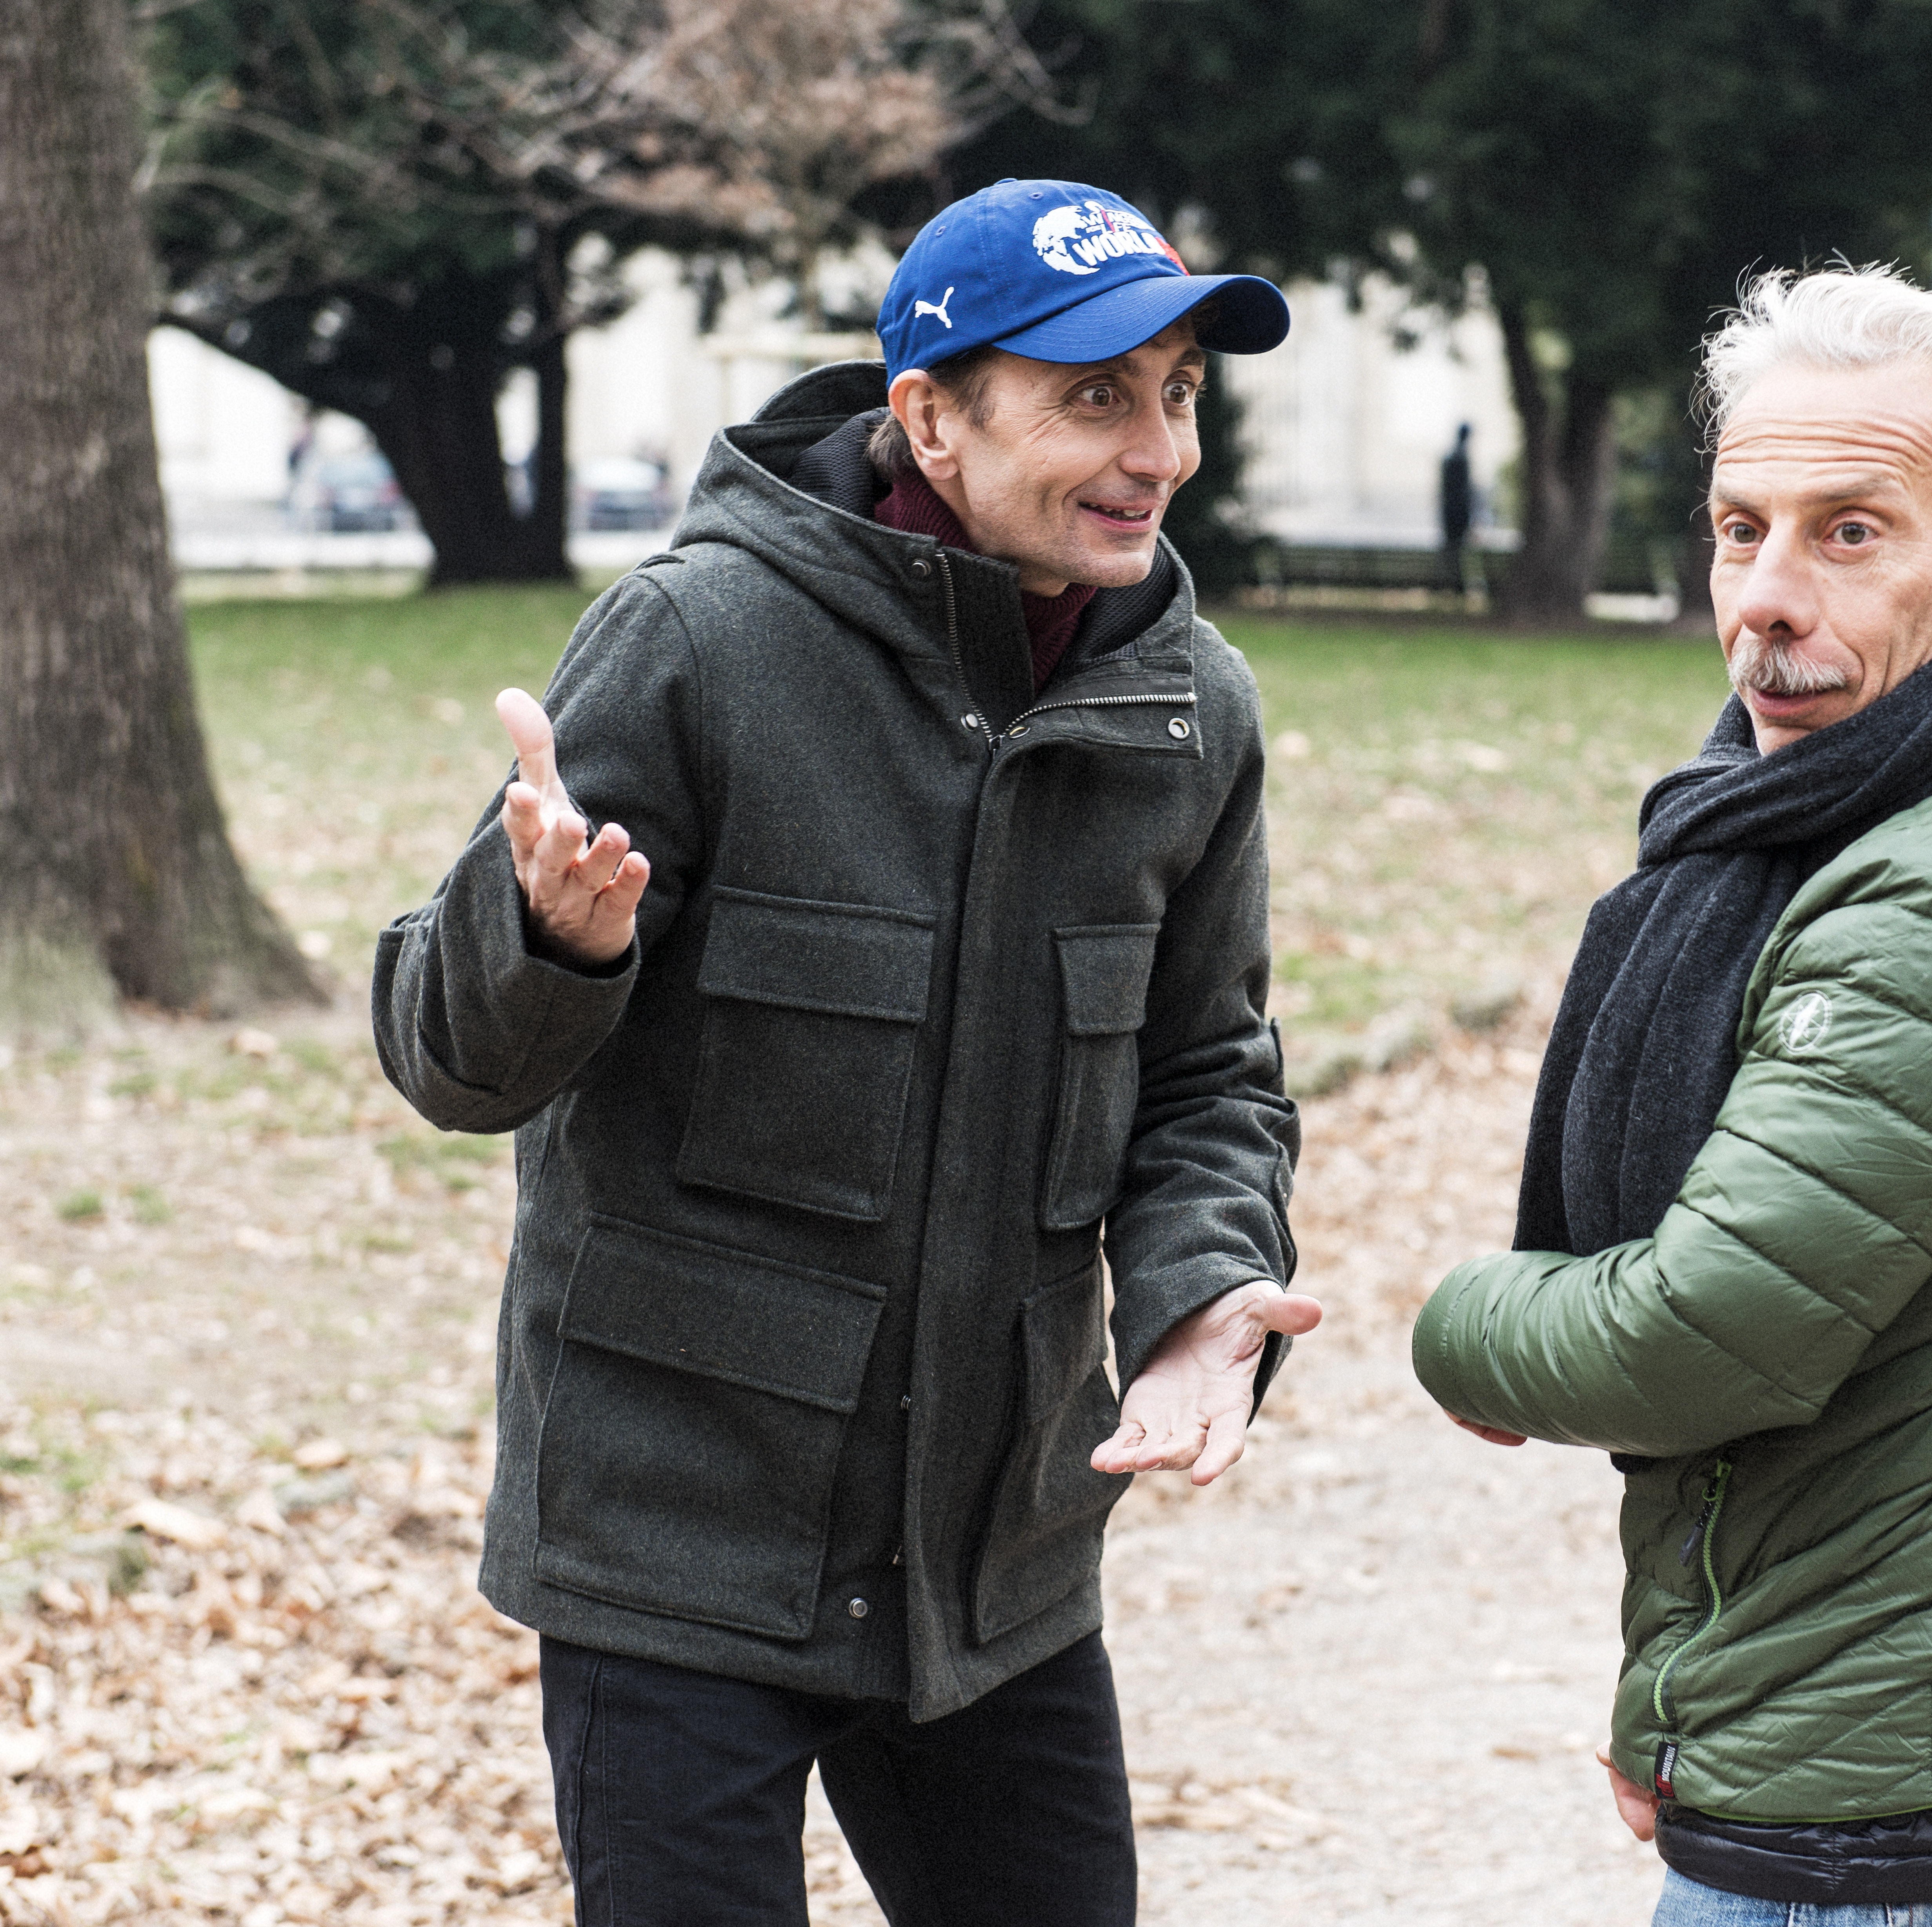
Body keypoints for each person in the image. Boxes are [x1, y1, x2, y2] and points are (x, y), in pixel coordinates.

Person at [371, 177, 1317, 1927]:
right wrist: (556, 938)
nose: (1157, 449)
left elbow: (1207, 1072)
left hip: (994, 1561)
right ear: (929, 419)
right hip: (678, 1549)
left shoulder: (1192, 711)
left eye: (1178, 392)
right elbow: (449, 1061)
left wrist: (1197, 1304)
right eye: (1094, 395)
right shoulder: (700, 640)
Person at [1412, 264, 1932, 1926]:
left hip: (1892, 1814)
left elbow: (1710, 1331)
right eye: (1738, 526)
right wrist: (1693, 1710)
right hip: (1902, 1743)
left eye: (1850, 531)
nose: (1764, 594)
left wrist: (1468, 1318)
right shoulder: (1906, 800)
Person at [1439, 420, 1475, 595]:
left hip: (1449, 511)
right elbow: (1465, 491)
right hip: (1459, 512)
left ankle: (1453, 583)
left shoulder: (1448, 458)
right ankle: (1457, 585)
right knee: (1457, 550)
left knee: (1451, 550)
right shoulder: (1462, 459)